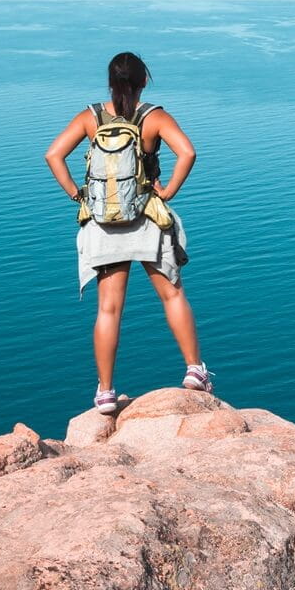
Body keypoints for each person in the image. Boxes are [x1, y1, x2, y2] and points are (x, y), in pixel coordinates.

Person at [44, 51, 210, 413]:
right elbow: (188, 153)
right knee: (172, 295)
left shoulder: (91, 117)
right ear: (143, 82)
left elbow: (53, 154)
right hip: (146, 215)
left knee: (109, 308)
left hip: (103, 221)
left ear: (110, 82)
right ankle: (195, 371)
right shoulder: (154, 117)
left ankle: (105, 392)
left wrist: (79, 194)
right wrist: (167, 192)